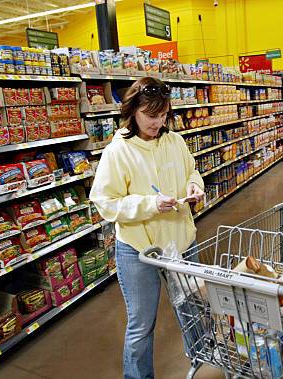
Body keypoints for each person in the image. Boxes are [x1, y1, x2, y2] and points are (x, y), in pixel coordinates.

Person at [89, 77, 205, 379]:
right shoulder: (118, 152)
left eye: (163, 114)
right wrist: (150, 204)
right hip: (139, 250)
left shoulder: (174, 141)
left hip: (181, 241)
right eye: (151, 115)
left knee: (193, 310)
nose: (158, 122)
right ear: (133, 112)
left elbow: (192, 169)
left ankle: (204, 365)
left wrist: (195, 186)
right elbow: (104, 202)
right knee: (141, 324)